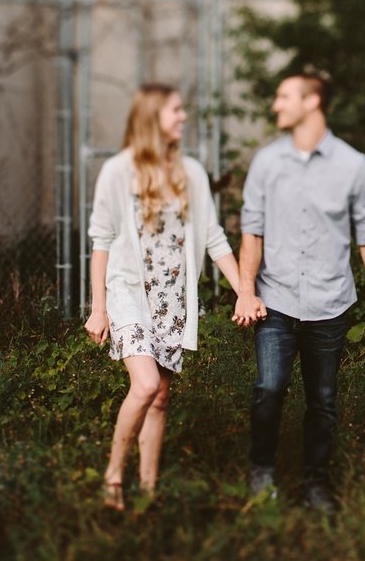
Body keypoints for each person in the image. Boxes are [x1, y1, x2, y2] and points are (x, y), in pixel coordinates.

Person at [233, 68, 365, 512]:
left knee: (322, 401)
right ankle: (262, 471)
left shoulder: (352, 165)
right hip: (276, 298)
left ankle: (315, 484)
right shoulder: (267, 162)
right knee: (269, 388)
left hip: (330, 303)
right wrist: (247, 290)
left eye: (284, 96)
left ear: (312, 102)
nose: (275, 105)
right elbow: (252, 232)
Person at [85, 83, 243, 511]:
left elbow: (214, 239)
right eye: (175, 110)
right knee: (146, 383)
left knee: (161, 398)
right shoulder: (118, 171)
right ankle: (114, 476)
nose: (183, 117)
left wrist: (244, 291)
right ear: (153, 116)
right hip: (129, 293)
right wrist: (98, 308)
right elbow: (100, 241)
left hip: (173, 300)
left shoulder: (190, 172)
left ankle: (149, 492)